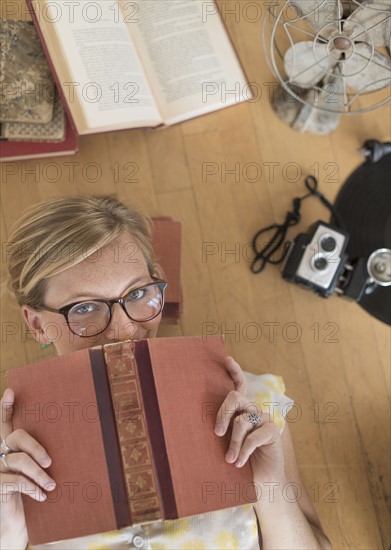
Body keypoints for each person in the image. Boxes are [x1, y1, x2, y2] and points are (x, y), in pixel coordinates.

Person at [0, 195, 331, 550]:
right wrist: (9, 535)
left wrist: (272, 490)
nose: (124, 330)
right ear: (36, 324)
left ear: (158, 281)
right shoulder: (9, 453)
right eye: (85, 308)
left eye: (138, 292)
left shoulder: (252, 409)